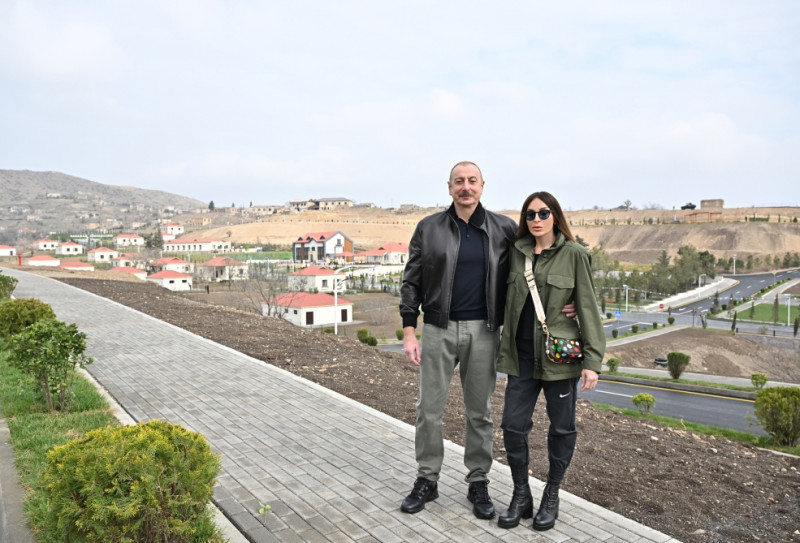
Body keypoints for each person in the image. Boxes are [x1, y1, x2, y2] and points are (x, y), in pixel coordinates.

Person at [398, 162, 577, 519]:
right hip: (438, 328)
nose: (465, 187)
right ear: (449, 187)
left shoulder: (504, 229)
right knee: (428, 410)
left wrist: (566, 299)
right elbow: (411, 280)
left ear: (482, 186)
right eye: (459, 181)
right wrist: (408, 330)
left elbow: (540, 258)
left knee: (479, 413)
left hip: (485, 330)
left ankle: (478, 481)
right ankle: (427, 479)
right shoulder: (429, 228)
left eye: (472, 181)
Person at [496, 191, 605, 532]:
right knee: (512, 426)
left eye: (543, 213)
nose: (536, 220)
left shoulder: (574, 254)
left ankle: (552, 494)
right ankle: (521, 494)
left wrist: (592, 361)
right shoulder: (517, 253)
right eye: (530, 214)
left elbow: (587, 307)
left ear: (555, 216)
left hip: (559, 359)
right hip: (521, 357)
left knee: (561, 428)